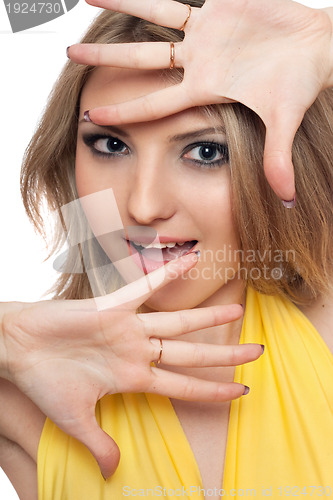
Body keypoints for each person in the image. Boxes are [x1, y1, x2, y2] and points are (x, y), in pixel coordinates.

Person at [1, 0, 333, 498]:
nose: (144, 204)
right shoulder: (28, 386)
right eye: (111, 145)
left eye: (206, 151)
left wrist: (324, 44)